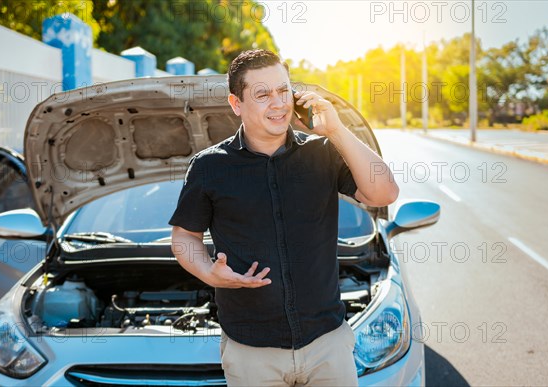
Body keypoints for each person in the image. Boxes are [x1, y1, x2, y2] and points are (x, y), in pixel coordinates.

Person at [169, 49, 399, 386]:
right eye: (262, 94)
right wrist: (209, 272)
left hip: (328, 345)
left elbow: (385, 194)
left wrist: (336, 130)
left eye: (283, 90)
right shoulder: (209, 167)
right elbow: (184, 236)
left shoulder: (323, 152)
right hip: (251, 353)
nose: (278, 103)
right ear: (236, 104)